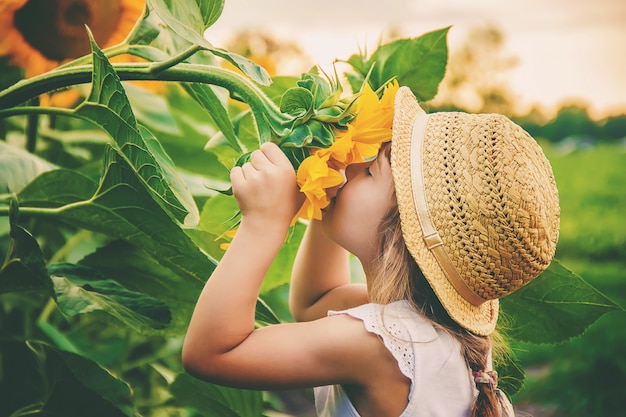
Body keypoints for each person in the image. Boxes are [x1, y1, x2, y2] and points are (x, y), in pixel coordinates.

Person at [182, 86, 560, 417]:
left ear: (399, 236)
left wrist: (262, 225)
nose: (351, 162)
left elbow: (213, 354)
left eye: (368, 170)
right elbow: (316, 302)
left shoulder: (383, 346)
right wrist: (323, 181)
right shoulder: (426, 325)